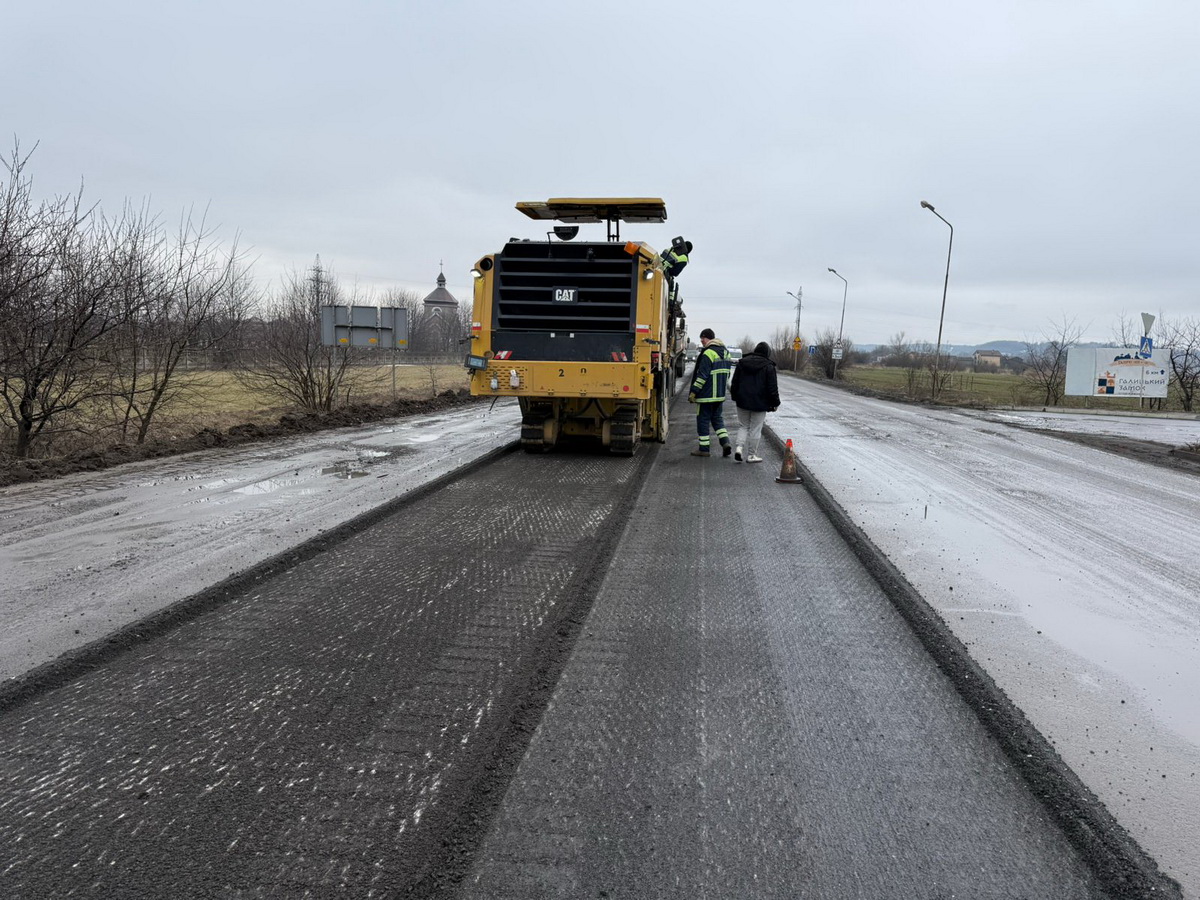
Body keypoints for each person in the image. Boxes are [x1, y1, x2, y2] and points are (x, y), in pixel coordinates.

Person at [729, 341, 780, 463]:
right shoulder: (769, 366)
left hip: (742, 400)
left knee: (743, 426)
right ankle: (751, 455)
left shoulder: (742, 363)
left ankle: (739, 448)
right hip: (760, 403)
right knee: (755, 429)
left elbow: (734, 382)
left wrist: (735, 396)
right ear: (767, 353)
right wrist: (775, 403)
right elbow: (772, 388)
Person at [687, 328, 732, 457]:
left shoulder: (708, 353)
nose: (701, 341)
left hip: (706, 396)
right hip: (719, 396)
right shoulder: (726, 353)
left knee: (703, 421)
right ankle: (725, 442)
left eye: (703, 338)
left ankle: (704, 449)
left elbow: (702, 376)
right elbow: (727, 375)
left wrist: (694, 392)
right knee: (717, 420)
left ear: (709, 338)